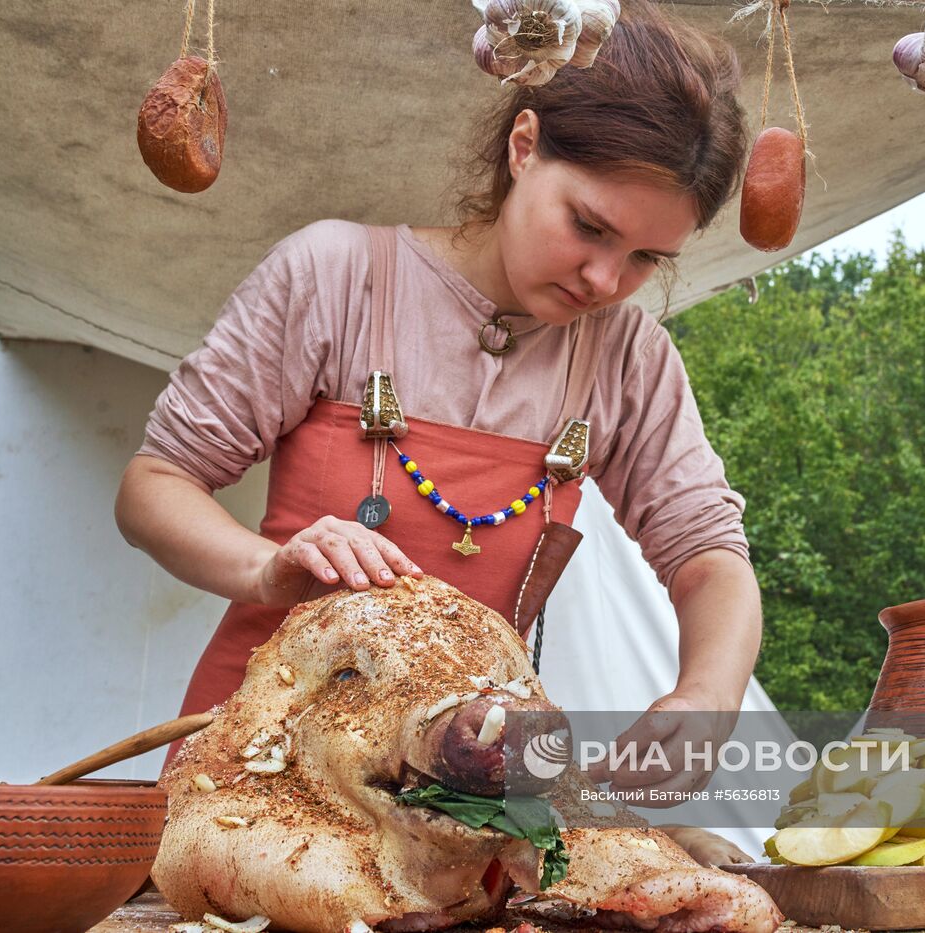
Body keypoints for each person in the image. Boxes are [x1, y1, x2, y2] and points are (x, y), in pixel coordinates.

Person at [115, 0, 761, 801]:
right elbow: (152, 487)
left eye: (644, 259)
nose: (604, 280)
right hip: (255, 767)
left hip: (465, 791)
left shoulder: (630, 359)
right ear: (525, 147)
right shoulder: (334, 276)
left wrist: (706, 697)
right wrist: (262, 569)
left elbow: (711, 561)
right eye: (590, 227)